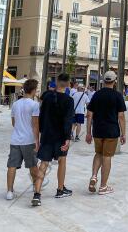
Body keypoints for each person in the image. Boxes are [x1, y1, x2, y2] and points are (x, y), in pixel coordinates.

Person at [32, 73, 75, 207]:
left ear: (56, 82)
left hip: (47, 135)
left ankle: (37, 194)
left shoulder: (47, 97)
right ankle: (60, 189)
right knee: (62, 161)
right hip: (60, 136)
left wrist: (39, 135)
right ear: (68, 84)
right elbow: (68, 121)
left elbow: (41, 116)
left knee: (43, 164)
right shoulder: (68, 100)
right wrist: (67, 138)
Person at [86, 71, 126, 195]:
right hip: (111, 131)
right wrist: (123, 133)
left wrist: (88, 132)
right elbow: (121, 116)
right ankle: (103, 186)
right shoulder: (117, 95)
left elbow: (89, 114)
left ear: (104, 81)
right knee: (107, 157)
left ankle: (94, 176)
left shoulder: (96, 95)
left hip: (97, 130)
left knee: (98, 153)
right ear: (114, 82)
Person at [6, 78, 40, 200]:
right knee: (32, 165)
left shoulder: (15, 104)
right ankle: (36, 187)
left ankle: (9, 191)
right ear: (34, 90)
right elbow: (35, 125)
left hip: (15, 139)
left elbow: (13, 122)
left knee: (12, 166)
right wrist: (37, 141)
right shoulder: (35, 105)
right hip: (29, 140)